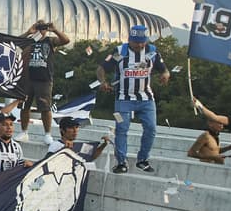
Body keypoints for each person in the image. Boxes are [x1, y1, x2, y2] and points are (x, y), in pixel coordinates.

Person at [97, 24, 170, 174]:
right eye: (136, 42)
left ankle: (143, 159)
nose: (140, 45)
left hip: (146, 98)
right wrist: (102, 82)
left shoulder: (152, 52)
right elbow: (101, 68)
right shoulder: (119, 52)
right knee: (121, 129)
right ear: (129, 40)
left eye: (142, 42)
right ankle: (121, 162)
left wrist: (165, 75)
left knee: (151, 129)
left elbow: (164, 69)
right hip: (123, 99)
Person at [19, 20, 71, 142]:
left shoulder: (50, 41)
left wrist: (54, 30)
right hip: (28, 77)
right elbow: (16, 42)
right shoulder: (30, 41)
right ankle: (24, 131)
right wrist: (28, 32)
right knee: (24, 106)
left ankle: (47, 133)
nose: (40, 30)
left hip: (44, 78)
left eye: (43, 28)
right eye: (38, 27)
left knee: (45, 107)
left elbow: (66, 40)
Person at [46, 116, 110, 162]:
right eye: (71, 128)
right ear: (62, 130)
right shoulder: (55, 145)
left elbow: (92, 156)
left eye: (76, 127)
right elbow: (47, 162)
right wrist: (64, 150)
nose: (75, 130)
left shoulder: (78, 146)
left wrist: (103, 145)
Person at [0, 107, 32, 172]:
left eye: (11, 124)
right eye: (5, 124)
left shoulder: (17, 146)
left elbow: (19, 164)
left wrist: (26, 163)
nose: (9, 127)